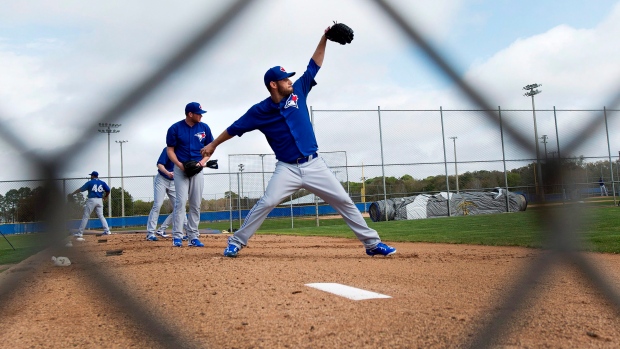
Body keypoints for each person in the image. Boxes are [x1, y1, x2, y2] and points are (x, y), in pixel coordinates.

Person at [201, 26, 396, 258]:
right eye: (284, 79)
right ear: (274, 84)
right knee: (266, 202)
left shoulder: (299, 91)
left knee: (344, 200)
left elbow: (314, 64)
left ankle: (372, 244)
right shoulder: (260, 111)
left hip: (314, 165)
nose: (289, 80)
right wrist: (213, 145)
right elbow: (234, 128)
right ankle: (236, 241)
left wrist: (324, 38)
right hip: (287, 168)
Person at [166, 102, 214, 247]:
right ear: (190, 114)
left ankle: (193, 236)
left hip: (197, 169)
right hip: (181, 169)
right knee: (180, 203)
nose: (201, 115)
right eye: (199, 113)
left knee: (195, 204)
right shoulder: (175, 128)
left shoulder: (204, 127)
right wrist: (180, 165)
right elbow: (170, 150)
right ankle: (177, 236)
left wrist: (201, 163)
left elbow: (210, 148)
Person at [145, 147, 188, 241]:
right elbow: (159, 165)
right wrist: (167, 172)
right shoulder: (168, 150)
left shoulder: (184, 151)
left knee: (180, 205)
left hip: (174, 182)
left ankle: (187, 232)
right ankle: (150, 233)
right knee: (158, 204)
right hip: (162, 179)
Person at [69, 171, 111, 239]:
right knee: (101, 216)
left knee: (85, 216)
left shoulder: (90, 182)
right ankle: (107, 231)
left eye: (91, 175)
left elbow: (81, 189)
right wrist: (105, 197)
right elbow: (108, 190)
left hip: (92, 200)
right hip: (100, 200)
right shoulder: (102, 183)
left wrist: (72, 193)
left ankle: (80, 233)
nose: (90, 176)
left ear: (93, 176)